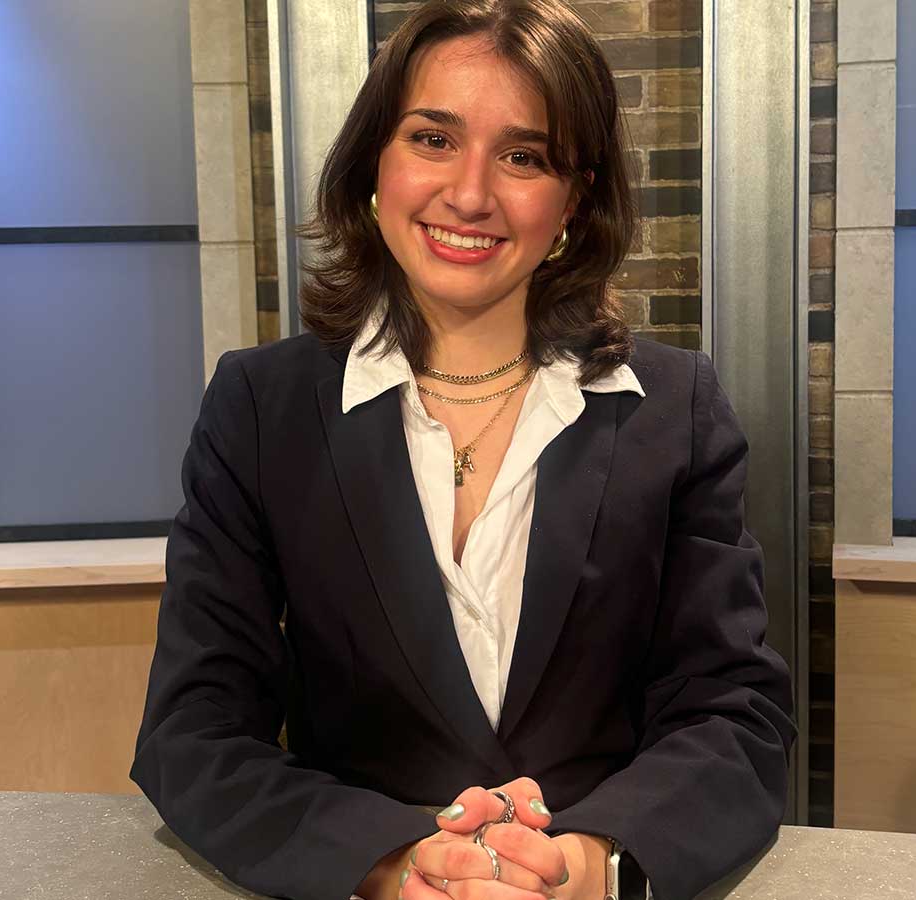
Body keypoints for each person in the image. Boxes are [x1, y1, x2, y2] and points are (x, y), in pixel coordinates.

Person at [130, 2, 795, 899]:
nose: (471, 193)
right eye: (432, 139)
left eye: (524, 156)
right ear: (376, 160)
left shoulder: (674, 410)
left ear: (575, 196)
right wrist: (394, 861)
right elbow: (193, 729)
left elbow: (735, 711)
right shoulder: (261, 409)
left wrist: (592, 862)